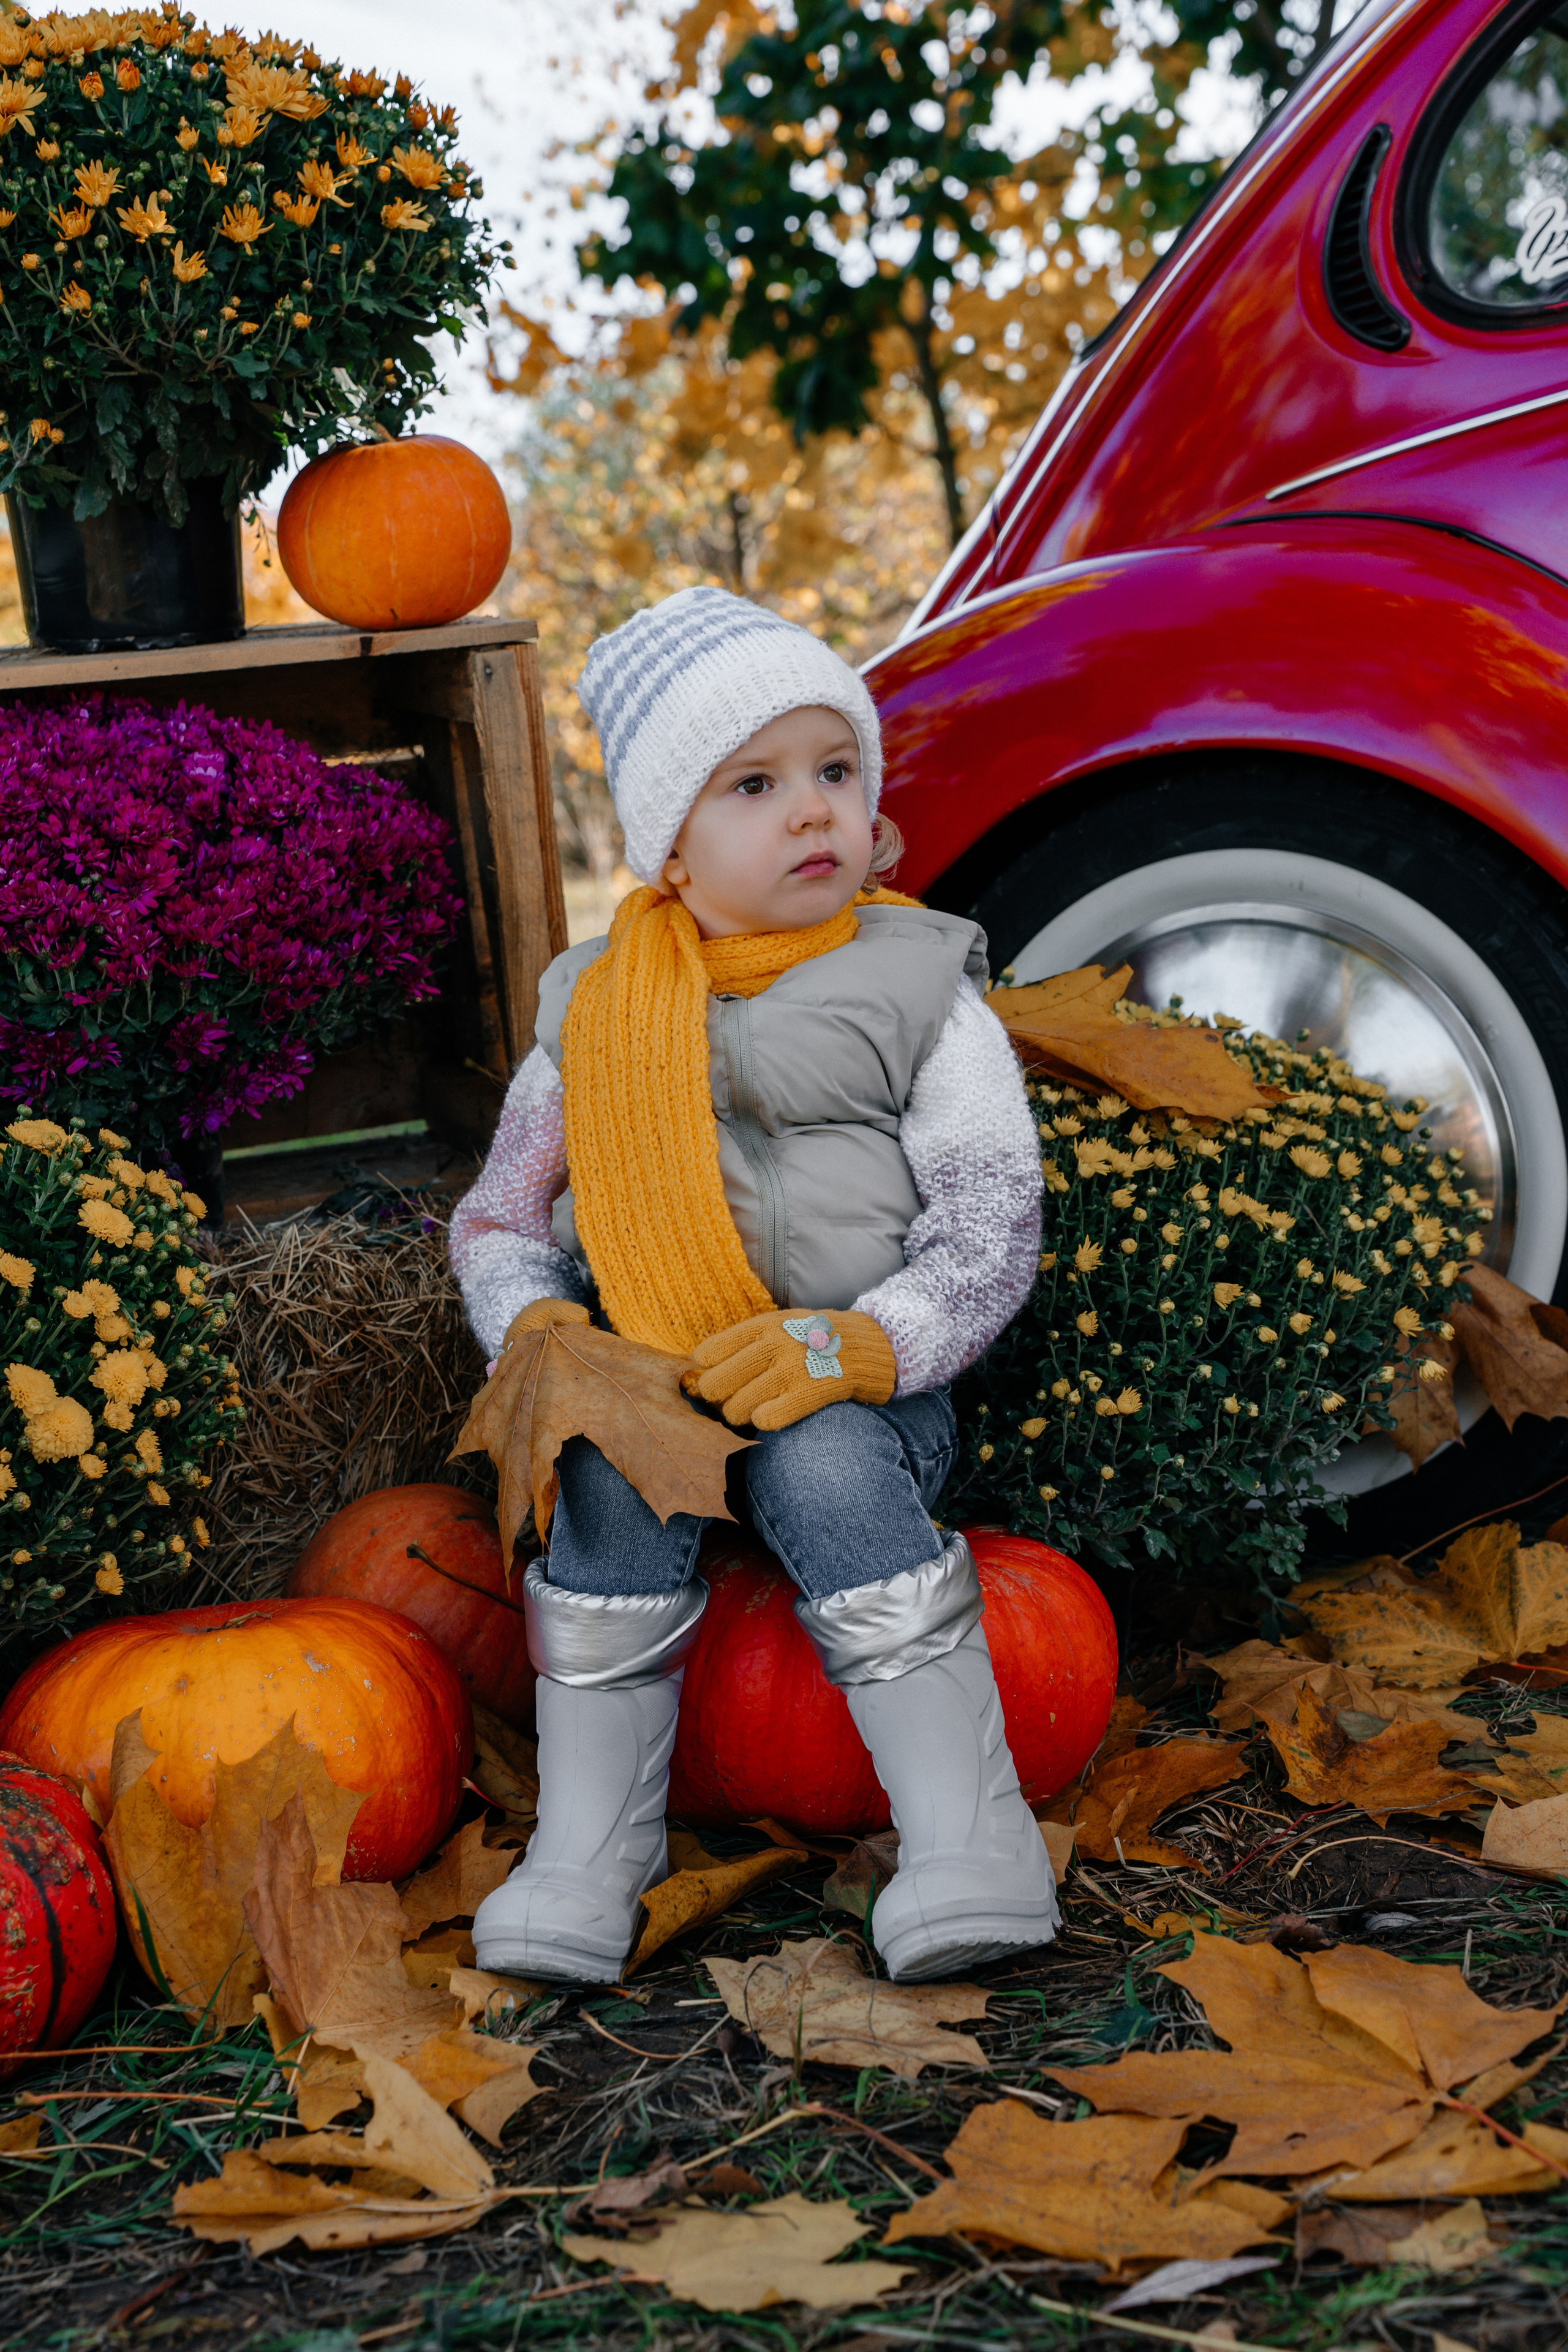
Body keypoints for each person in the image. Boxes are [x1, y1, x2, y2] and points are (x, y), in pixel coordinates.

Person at [450, 585, 1054, 1986]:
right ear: (670, 834)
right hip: (660, 1379)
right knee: (601, 1481)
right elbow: (497, 1216)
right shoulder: (588, 1015)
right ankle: (593, 1849)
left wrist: (866, 1345)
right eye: (756, 784)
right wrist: (540, 1333)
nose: (812, 814)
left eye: (835, 773)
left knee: (827, 1471)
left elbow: (986, 1224)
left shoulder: (918, 991)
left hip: (854, 1381)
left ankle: (970, 1836)